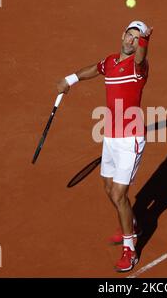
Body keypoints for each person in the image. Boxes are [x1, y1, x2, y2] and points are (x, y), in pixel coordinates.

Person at [57, 21, 153, 272]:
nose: (131, 41)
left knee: (119, 194)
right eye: (130, 36)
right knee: (109, 188)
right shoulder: (111, 62)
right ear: (122, 36)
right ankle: (132, 224)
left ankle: (129, 249)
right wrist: (71, 79)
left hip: (130, 139)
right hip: (110, 137)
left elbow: (142, 56)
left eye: (136, 38)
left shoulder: (138, 67)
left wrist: (145, 39)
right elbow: (95, 69)